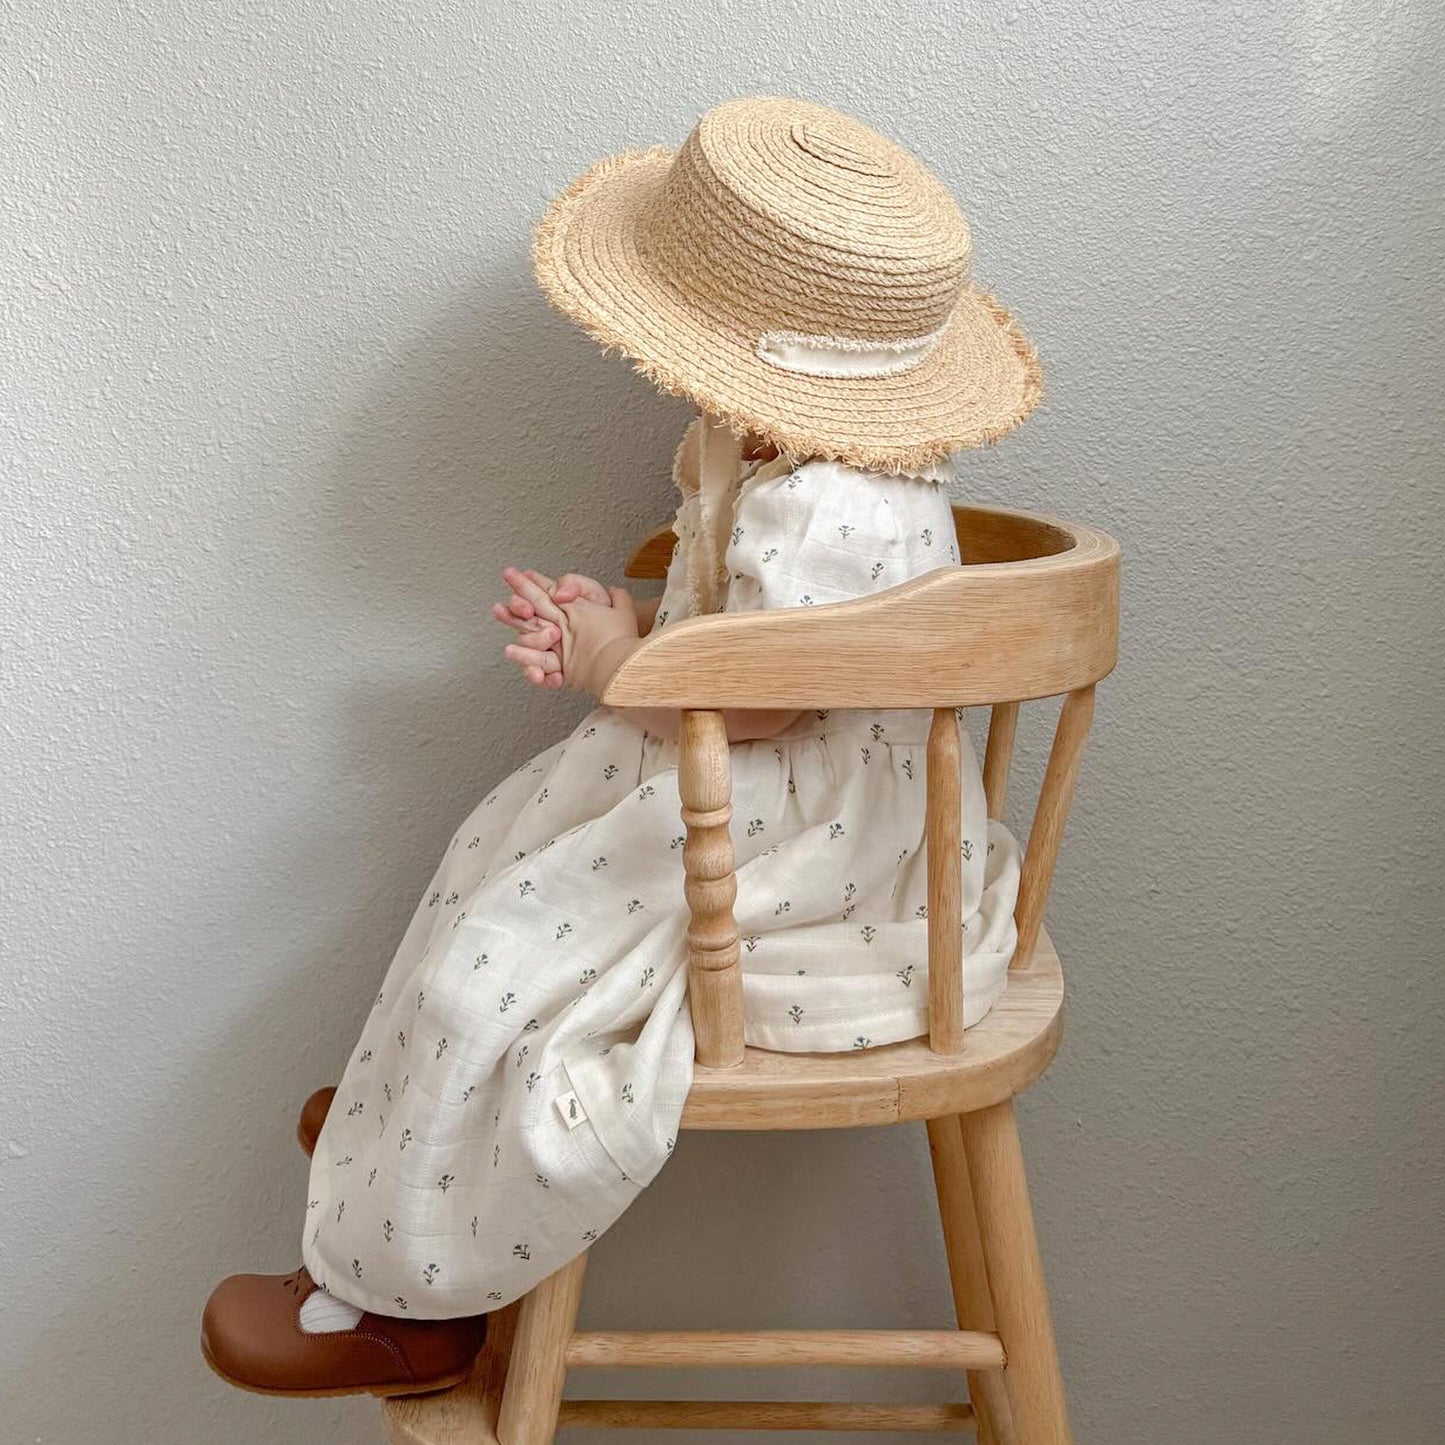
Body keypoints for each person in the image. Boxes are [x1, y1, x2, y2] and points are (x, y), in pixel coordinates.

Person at [201, 95, 1041, 1399]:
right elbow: (752, 637)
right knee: (495, 846)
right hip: (754, 789)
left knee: (496, 964)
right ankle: (415, 1118)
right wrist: (633, 621)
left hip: (798, 838)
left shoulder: (830, 501)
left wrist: (615, 666)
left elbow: (758, 698)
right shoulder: (791, 464)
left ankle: (409, 1292)